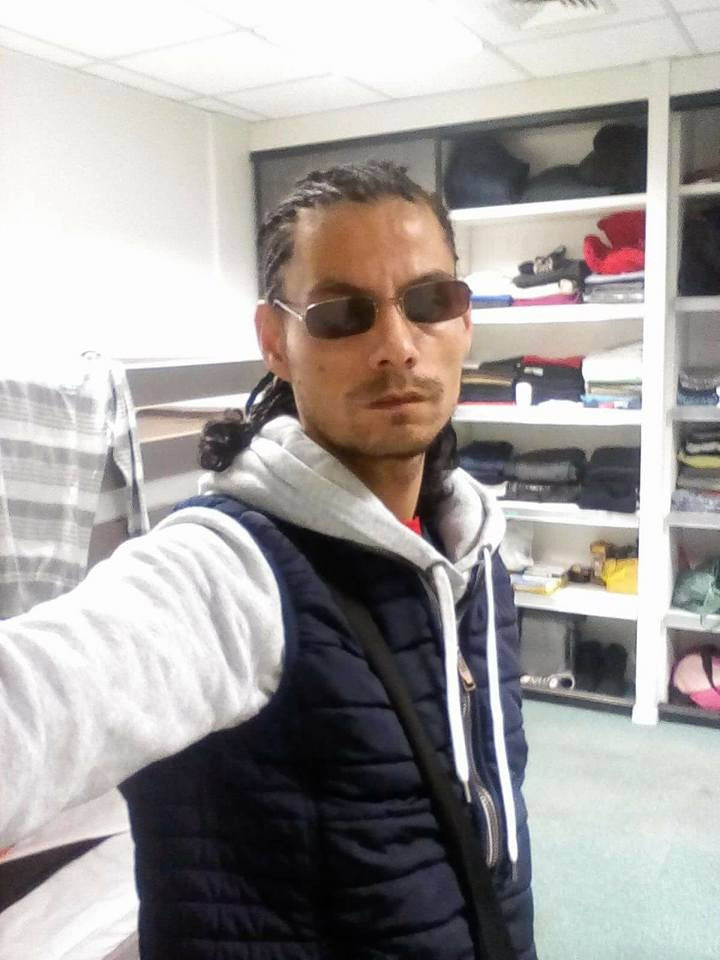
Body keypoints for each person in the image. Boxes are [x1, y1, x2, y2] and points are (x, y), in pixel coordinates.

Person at [0, 161, 536, 959]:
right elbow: (39, 696)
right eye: (341, 314)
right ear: (274, 342)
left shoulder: (471, 551)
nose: (397, 347)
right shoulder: (229, 572)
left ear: (464, 322)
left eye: (429, 302)